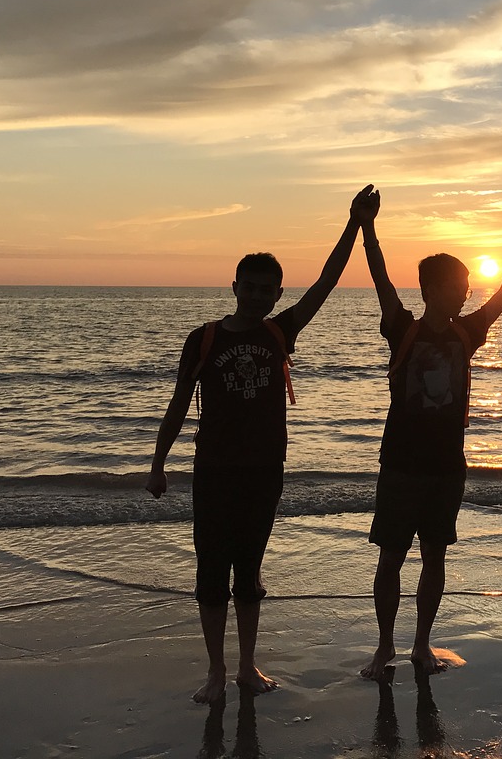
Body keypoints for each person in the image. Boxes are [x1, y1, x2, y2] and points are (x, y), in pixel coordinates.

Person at [146, 184, 375, 704]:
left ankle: (247, 667)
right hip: (215, 474)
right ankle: (215, 673)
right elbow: (179, 402)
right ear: (234, 287)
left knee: (249, 572)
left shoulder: (281, 333)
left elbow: (326, 283)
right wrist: (158, 462)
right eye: (247, 286)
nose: (254, 295)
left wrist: (355, 225)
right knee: (211, 573)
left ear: (276, 294)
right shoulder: (204, 338)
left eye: (265, 289)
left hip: (265, 473)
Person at [355, 189, 502, 677]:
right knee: (392, 557)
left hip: (446, 466)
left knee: (435, 555)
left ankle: (421, 644)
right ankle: (383, 649)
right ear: (431, 290)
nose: (465, 292)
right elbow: (379, 277)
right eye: (457, 286)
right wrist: (366, 227)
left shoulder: (468, 332)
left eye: (465, 285)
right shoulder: (403, 328)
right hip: (399, 462)